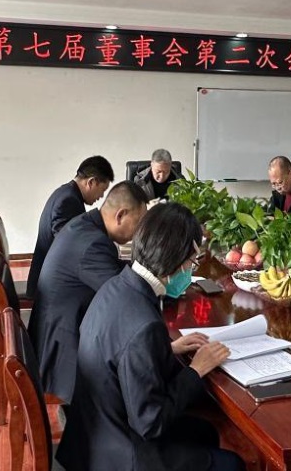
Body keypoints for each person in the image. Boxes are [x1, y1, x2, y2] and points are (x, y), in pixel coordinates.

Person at [58, 203, 245, 471]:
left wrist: (167, 349)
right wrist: (195, 369)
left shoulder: (117, 286)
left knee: (204, 432)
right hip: (123, 454)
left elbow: (121, 352)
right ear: (174, 258)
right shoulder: (144, 326)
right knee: (232, 464)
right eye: (192, 262)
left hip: (94, 434)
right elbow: (151, 423)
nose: (191, 269)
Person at [27, 181, 147, 404]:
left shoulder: (85, 226)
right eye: (139, 223)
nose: (139, 232)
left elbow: (115, 273)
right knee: (139, 372)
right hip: (60, 352)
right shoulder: (92, 244)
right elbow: (124, 296)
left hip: (55, 330)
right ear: (120, 215)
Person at [26, 156, 114, 297]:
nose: (101, 196)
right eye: (102, 190)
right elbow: (70, 247)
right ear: (91, 182)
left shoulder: (66, 193)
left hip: (48, 278)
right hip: (49, 288)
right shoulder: (68, 201)